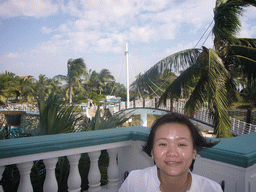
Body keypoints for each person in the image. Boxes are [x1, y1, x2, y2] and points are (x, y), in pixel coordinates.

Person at [119, 113, 223, 192]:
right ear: (152, 152)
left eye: (181, 144)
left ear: (194, 152)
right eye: (163, 144)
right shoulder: (135, 182)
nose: (172, 153)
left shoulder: (211, 189)